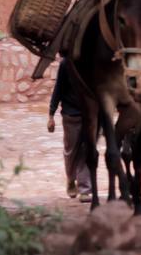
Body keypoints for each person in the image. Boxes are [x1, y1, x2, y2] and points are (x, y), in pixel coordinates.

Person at [48, 58, 92, 202]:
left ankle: (84, 189)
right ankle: (70, 179)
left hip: (89, 115)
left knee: (86, 150)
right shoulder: (66, 64)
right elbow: (58, 89)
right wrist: (51, 114)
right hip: (70, 114)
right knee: (71, 150)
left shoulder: (92, 62)